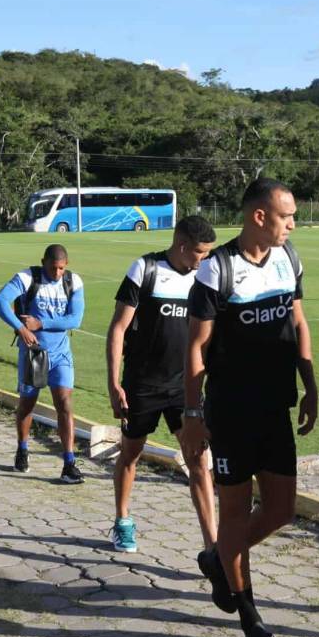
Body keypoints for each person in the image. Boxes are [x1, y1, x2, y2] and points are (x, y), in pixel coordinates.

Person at [183, 178, 318, 637]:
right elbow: (195, 349)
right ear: (259, 216)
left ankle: (221, 557)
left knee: (281, 509)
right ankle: (250, 620)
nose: (293, 225)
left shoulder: (289, 259)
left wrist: (309, 381)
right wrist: (193, 415)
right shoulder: (216, 271)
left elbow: (298, 321)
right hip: (231, 412)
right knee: (236, 511)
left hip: (275, 406)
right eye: (288, 216)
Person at [105, 215, 218, 553]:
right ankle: (123, 520)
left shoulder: (205, 277)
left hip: (185, 388)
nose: (204, 258)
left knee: (198, 460)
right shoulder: (145, 269)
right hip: (142, 385)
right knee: (131, 454)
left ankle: (213, 545)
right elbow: (117, 329)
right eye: (200, 252)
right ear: (182, 245)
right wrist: (114, 383)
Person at [0, 244, 86, 483]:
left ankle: (69, 462)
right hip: (33, 355)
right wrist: (21, 328)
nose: (57, 274)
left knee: (64, 403)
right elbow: (0, 301)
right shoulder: (27, 277)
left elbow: (75, 319)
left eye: (62, 269)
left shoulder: (73, 282)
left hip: (61, 354)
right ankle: (22, 449)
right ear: (43, 262)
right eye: (53, 268)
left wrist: (40, 323)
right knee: (27, 404)